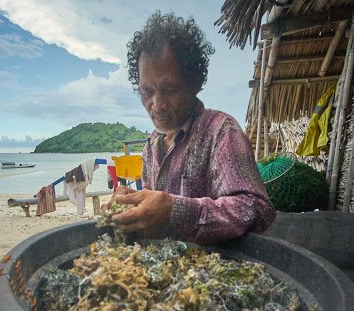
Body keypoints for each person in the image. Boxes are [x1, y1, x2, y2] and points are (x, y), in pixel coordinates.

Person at [105, 11, 275, 245]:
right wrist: (131, 202)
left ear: (195, 83)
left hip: (213, 274)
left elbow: (257, 209)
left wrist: (176, 211)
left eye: (170, 89)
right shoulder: (151, 145)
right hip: (166, 270)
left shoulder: (221, 131)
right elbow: (152, 205)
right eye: (147, 91)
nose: (157, 104)